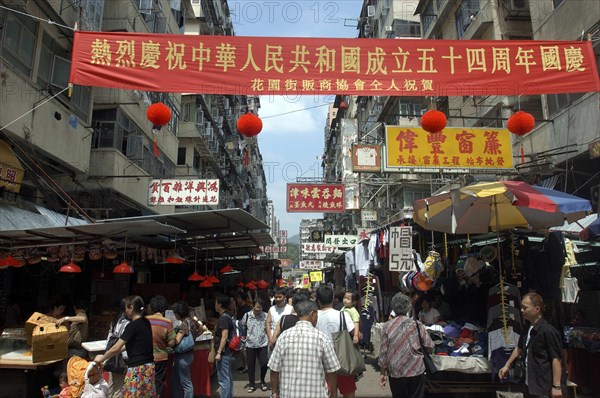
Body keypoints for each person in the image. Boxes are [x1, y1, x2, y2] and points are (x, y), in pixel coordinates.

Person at [268, 299, 340, 398]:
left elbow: (274, 369)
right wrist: (334, 394)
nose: (317, 319)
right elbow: (332, 370)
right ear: (312, 314)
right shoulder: (322, 338)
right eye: (317, 316)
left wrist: (274, 392)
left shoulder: (284, 336)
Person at [499, 293, 566, 398]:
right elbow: (519, 348)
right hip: (530, 384)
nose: (522, 311)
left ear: (537, 309)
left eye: (525, 308)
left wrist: (556, 386)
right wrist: (507, 365)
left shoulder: (548, 331)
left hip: (544, 386)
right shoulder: (527, 327)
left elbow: (556, 359)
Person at [94, 295, 155, 398]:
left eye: (126, 308)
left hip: (137, 368)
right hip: (149, 367)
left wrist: (102, 358)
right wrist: (113, 352)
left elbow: (117, 346)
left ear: (131, 308)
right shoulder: (146, 322)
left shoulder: (132, 325)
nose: (125, 311)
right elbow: (129, 345)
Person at [379, 293, 434, 398]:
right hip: (415, 368)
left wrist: (382, 372)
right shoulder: (417, 324)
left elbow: (383, 352)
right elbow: (430, 345)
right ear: (408, 307)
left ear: (393, 308)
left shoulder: (387, 326)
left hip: (396, 370)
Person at [315, 285, 356, 398]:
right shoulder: (343, 315)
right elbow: (354, 334)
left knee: (328, 393)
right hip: (343, 360)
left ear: (317, 300)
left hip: (322, 362)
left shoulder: (314, 317)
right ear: (333, 298)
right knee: (348, 392)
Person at [147, 295, 176, 398]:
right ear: (165, 308)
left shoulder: (144, 320)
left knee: (146, 382)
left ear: (151, 307)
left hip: (146, 358)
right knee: (158, 382)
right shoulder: (167, 322)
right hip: (160, 358)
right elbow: (172, 342)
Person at [241, 298, 269, 393]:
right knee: (251, 365)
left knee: (264, 363)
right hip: (250, 344)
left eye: (260, 308)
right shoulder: (247, 315)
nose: (258, 309)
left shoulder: (266, 315)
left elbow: (269, 327)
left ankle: (262, 380)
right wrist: (243, 339)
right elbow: (242, 325)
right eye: (257, 307)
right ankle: (252, 384)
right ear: (253, 306)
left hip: (263, 343)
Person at [105, 300, 129, 397]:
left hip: (112, 357)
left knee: (112, 384)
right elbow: (124, 345)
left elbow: (109, 340)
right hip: (121, 359)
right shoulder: (126, 324)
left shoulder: (115, 322)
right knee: (119, 388)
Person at [171, 300, 195, 398]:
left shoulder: (184, 324)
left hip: (182, 357)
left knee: (186, 383)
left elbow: (176, 341)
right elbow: (201, 329)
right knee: (178, 380)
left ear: (178, 313)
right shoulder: (192, 321)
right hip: (189, 355)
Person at [214, 294, 235, 398]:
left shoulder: (223, 318)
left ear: (220, 304)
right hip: (228, 352)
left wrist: (218, 352)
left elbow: (224, 336)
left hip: (224, 353)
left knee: (223, 380)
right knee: (228, 378)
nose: (215, 305)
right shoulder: (228, 316)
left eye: (216, 302)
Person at [235, 290, 252, 374]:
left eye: (238, 298)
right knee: (242, 349)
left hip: (245, 331)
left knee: (244, 350)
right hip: (241, 330)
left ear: (243, 299)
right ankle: (243, 365)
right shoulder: (239, 307)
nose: (237, 299)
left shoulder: (247, 308)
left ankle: (247, 367)